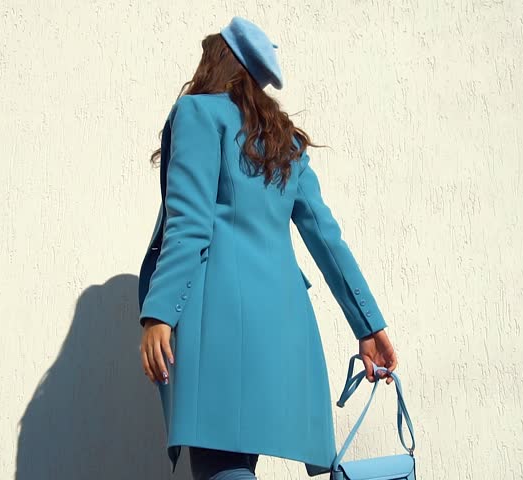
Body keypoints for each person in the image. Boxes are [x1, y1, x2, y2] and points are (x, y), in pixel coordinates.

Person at [137, 16, 399, 480]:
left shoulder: (198, 114)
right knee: (235, 463)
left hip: (221, 324)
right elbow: (326, 237)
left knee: (220, 464)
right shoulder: (285, 142)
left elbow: (190, 225)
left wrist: (159, 312)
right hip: (285, 329)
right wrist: (368, 325)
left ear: (218, 62)